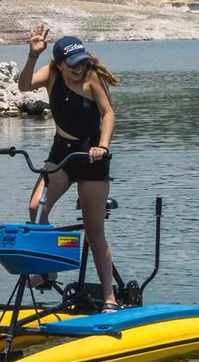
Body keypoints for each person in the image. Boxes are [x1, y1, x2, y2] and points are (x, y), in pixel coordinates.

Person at [17, 27, 121, 313]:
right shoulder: (51, 73)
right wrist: (32, 55)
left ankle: (109, 297)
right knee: (36, 207)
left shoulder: (92, 77)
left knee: (94, 231)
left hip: (91, 155)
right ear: (60, 64)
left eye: (82, 62)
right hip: (61, 152)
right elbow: (23, 86)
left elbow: (108, 113)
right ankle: (49, 269)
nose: (79, 68)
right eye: (73, 64)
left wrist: (102, 146)